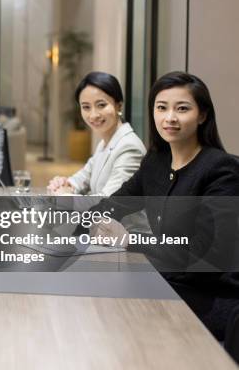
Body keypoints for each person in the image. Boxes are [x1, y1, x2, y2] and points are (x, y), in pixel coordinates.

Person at [93, 71, 239, 340]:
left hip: (206, 297)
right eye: (161, 108)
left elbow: (205, 256)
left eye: (182, 109)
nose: (169, 117)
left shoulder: (221, 169)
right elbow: (114, 204)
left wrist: (130, 240)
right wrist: (59, 226)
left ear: (202, 116)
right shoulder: (156, 162)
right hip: (164, 281)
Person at [48, 71, 146, 196]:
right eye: (86, 107)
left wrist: (63, 195)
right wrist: (64, 184)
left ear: (119, 106)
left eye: (101, 105)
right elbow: (82, 178)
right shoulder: (105, 143)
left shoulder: (129, 148)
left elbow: (108, 202)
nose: (93, 115)